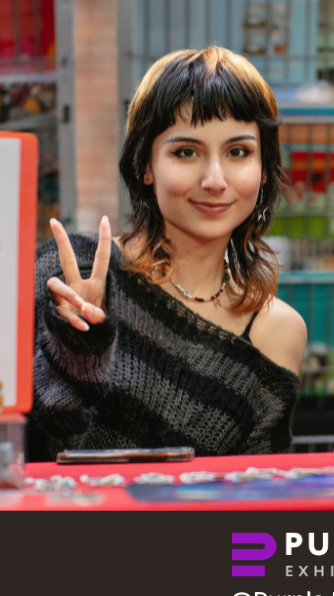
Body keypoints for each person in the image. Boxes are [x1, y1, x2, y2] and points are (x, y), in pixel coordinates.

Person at [27, 47, 307, 461]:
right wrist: (76, 349)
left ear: (264, 168)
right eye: (186, 152)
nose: (214, 180)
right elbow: (29, 453)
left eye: (238, 152)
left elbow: (257, 498)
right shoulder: (71, 274)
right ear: (145, 165)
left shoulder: (278, 332)